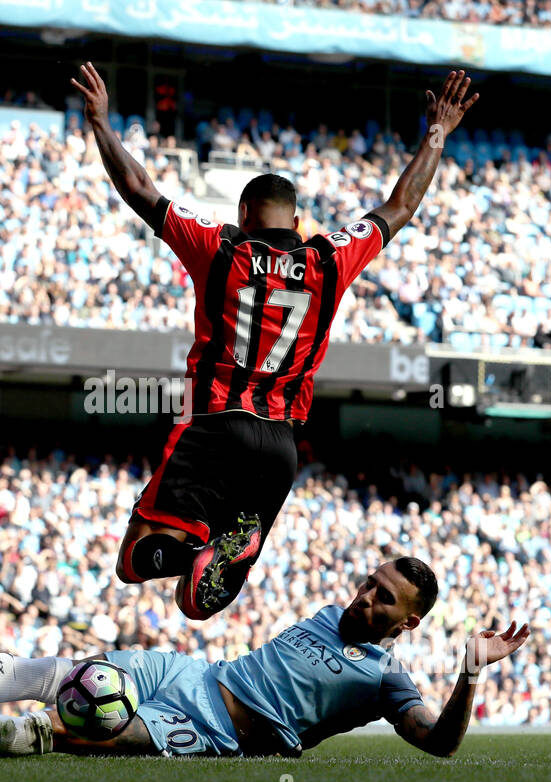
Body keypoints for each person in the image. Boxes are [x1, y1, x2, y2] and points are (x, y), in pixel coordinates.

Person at [70, 62, 480, 620]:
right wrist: (438, 131)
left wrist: (101, 124)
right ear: (298, 221)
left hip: (216, 421)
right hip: (282, 446)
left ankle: (194, 549)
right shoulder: (330, 256)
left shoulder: (220, 249)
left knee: (133, 560)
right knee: (194, 605)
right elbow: (399, 206)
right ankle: (215, 553)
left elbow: (141, 190)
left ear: (243, 214)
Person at [0, 557, 530, 758]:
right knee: (61, 671)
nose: (363, 598)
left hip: (215, 731)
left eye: (382, 599)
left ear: (409, 621)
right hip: (192, 672)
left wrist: (469, 672)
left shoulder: (387, 679)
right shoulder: (330, 615)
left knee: (67, 729)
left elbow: (439, 743)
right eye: (366, 583)